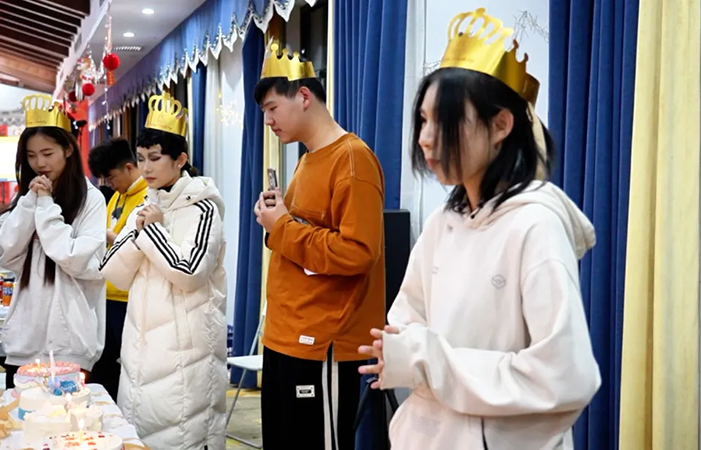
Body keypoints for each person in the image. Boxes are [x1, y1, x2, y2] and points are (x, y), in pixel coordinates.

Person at [357, 8, 601, 449]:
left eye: (445, 121)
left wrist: (430, 361)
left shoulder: (535, 225)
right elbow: (406, 322)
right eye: (423, 120)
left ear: (501, 125)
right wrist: (406, 352)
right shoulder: (442, 224)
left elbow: (565, 376)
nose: (425, 138)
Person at [252, 44, 386, 449]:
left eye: (273, 108)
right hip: (286, 333)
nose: (268, 120)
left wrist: (282, 227)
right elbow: (301, 236)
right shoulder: (309, 158)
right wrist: (276, 221)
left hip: (322, 341)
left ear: (304, 96)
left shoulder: (352, 160)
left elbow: (358, 252)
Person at [101, 94, 226, 449]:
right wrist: (141, 231)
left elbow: (190, 273)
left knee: (183, 436)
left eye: (155, 158)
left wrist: (153, 232)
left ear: (181, 159)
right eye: (141, 159)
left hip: (186, 353)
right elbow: (114, 273)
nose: (146, 168)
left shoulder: (203, 209)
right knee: (138, 435)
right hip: (140, 347)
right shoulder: (145, 204)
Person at [0, 95, 106, 388]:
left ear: (68, 149)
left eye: (47, 153)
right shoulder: (27, 197)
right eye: (31, 155)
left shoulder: (90, 199)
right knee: (20, 412)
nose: (39, 163)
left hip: (70, 340)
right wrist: (30, 202)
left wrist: (45, 206)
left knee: (67, 415)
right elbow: (7, 254)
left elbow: (74, 259)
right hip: (24, 337)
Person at [87, 137, 148, 401]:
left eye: (111, 177)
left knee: (125, 365)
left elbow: (141, 243)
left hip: (128, 296)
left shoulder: (147, 197)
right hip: (106, 293)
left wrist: (107, 236)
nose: (109, 184)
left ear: (129, 167)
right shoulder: (117, 197)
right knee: (103, 364)